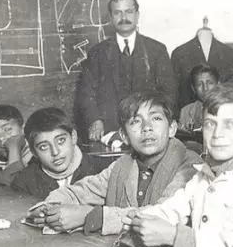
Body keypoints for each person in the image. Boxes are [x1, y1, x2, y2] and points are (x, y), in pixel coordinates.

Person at [115, 83, 233, 247]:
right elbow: (173, 208)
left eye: (230, 124)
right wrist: (141, 219)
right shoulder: (205, 176)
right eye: (210, 124)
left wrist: (174, 236)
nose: (217, 133)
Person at [30, 91, 198, 235]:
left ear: (172, 128)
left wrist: (92, 216)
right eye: (135, 121)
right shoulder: (122, 166)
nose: (146, 127)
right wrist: (48, 209)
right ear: (123, 136)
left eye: (155, 118)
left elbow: (162, 216)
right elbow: (79, 192)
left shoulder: (190, 165)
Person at [75, 0, 178, 144]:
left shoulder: (157, 50)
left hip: (147, 132)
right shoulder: (97, 53)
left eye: (129, 12)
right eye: (118, 13)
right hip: (109, 133)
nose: (124, 18)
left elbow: (169, 94)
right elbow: (85, 93)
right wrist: (95, 120)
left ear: (137, 15)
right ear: (110, 18)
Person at [9, 107, 100, 197]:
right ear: (34, 152)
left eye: (61, 140)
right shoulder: (24, 183)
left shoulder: (101, 171)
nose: (55, 152)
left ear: (73, 137)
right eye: (44, 147)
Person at [178, 64, 220, 131]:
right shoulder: (186, 112)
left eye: (209, 83)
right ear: (193, 89)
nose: (205, 88)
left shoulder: (228, 109)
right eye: (199, 84)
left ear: (218, 85)